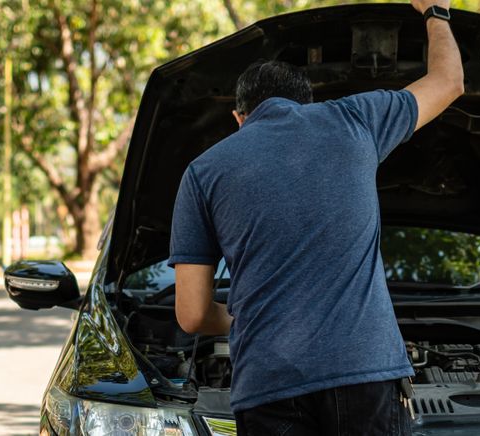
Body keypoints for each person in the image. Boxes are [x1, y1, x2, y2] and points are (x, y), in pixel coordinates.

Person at [167, 0, 464, 434]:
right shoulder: (355, 120)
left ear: (238, 118)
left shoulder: (203, 172)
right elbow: (450, 81)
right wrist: (435, 11)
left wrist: (249, 317)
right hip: (364, 372)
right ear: (307, 102)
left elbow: (192, 315)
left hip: (268, 384)